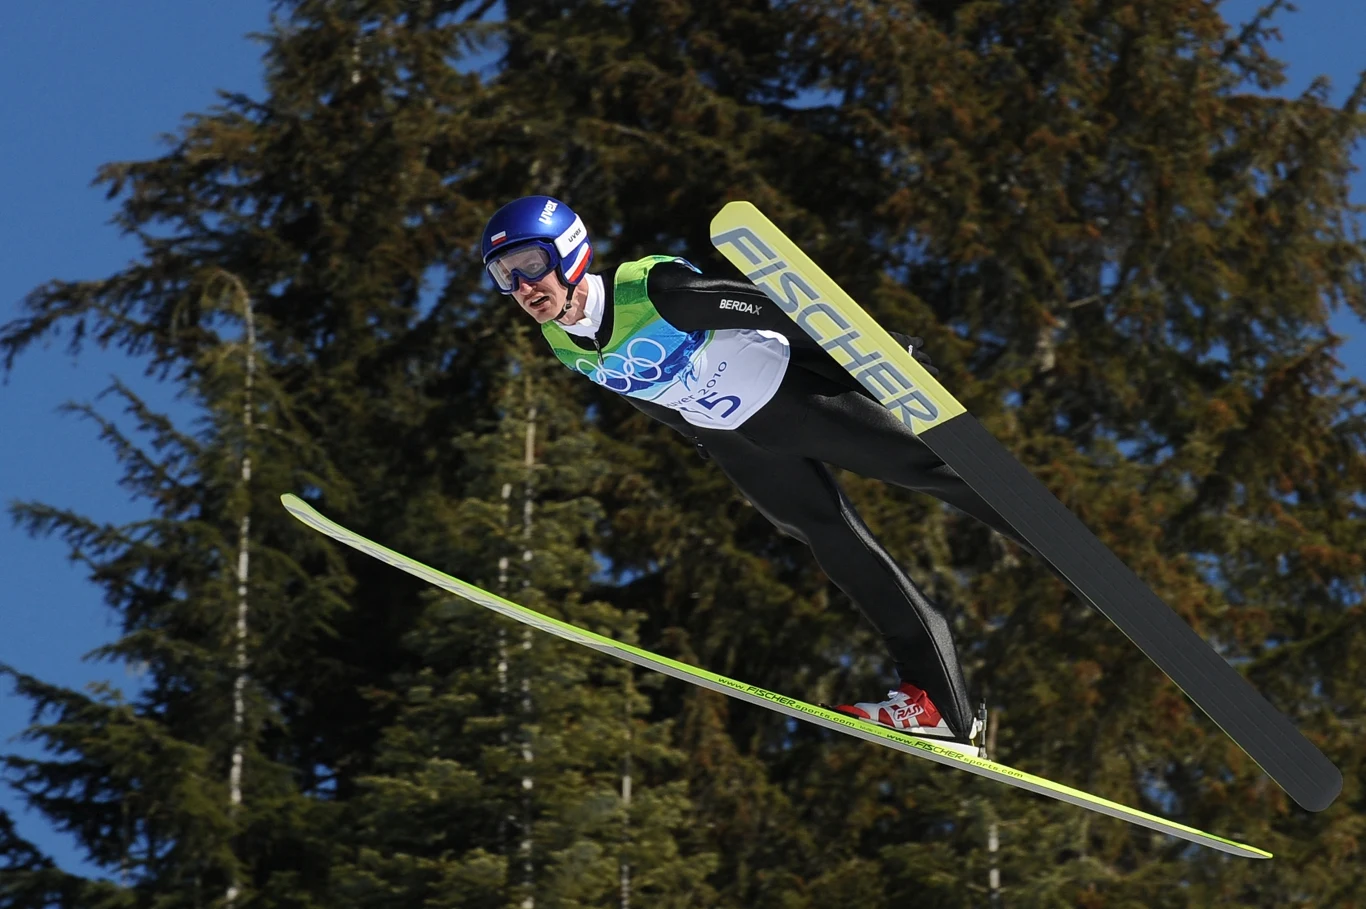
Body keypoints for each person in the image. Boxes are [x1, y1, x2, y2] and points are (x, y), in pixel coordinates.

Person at [481, 195, 1031, 752]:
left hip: (798, 399)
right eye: (505, 277)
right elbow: (648, 396)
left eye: (530, 265)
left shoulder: (651, 292)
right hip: (741, 442)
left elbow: (775, 308)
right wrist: (702, 437)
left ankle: (1055, 538)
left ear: (569, 253)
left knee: (930, 469)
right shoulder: (562, 345)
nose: (523, 288)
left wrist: (883, 351)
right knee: (835, 543)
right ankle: (940, 708)